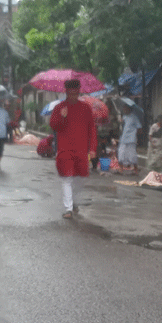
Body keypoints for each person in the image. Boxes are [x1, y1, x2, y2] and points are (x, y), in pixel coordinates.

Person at [49, 80, 97, 219]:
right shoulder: (59, 108)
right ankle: (68, 208)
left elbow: (92, 130)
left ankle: (74, 202)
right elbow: (54, 126)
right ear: (66, 92)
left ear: (78, 92)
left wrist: (93, 148)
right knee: (67, 178)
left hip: (81, 150)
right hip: (65, 149)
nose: (73, 96)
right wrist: (62, 117)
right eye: (70, 93)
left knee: (80, 178)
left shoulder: (86, 108)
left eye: (75, 93)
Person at [118, 104, 142, 174]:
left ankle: (136, 170)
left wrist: (135, 135)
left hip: (131, 139)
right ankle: (121, 169)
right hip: (123, 138)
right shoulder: (124, 117)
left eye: (126, 108)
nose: (124, 110)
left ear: (129, 109)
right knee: (121, 153)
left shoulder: (134, 117)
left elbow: (139, 128)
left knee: (132, 155)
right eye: (124, 109)